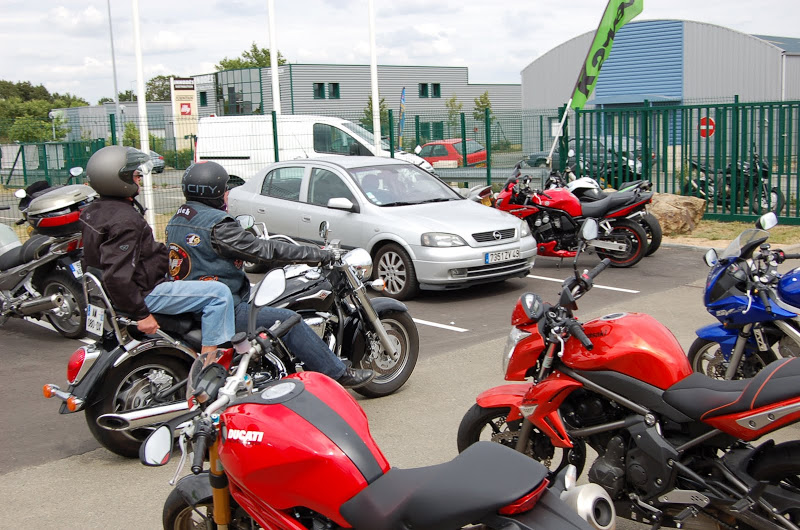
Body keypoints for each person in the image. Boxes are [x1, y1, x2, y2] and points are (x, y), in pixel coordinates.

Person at [165, 161, 375, 389]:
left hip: (190, 305)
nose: (227, 194)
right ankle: (338, 373)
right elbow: (264, 251)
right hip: (223, 308)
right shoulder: (218, 226)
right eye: (225, 188)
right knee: (289, 321)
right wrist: (315, 254)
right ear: (213, 191)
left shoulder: (178, 219)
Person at [80, 146, 235, 354]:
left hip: (122, 292)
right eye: (134, 176)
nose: (139, 180)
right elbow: (117, 275)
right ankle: (210, 365)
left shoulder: (94, 211)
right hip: (146, 293)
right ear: (117, 179)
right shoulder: (125, 220)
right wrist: (141, 314)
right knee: (219, 293)